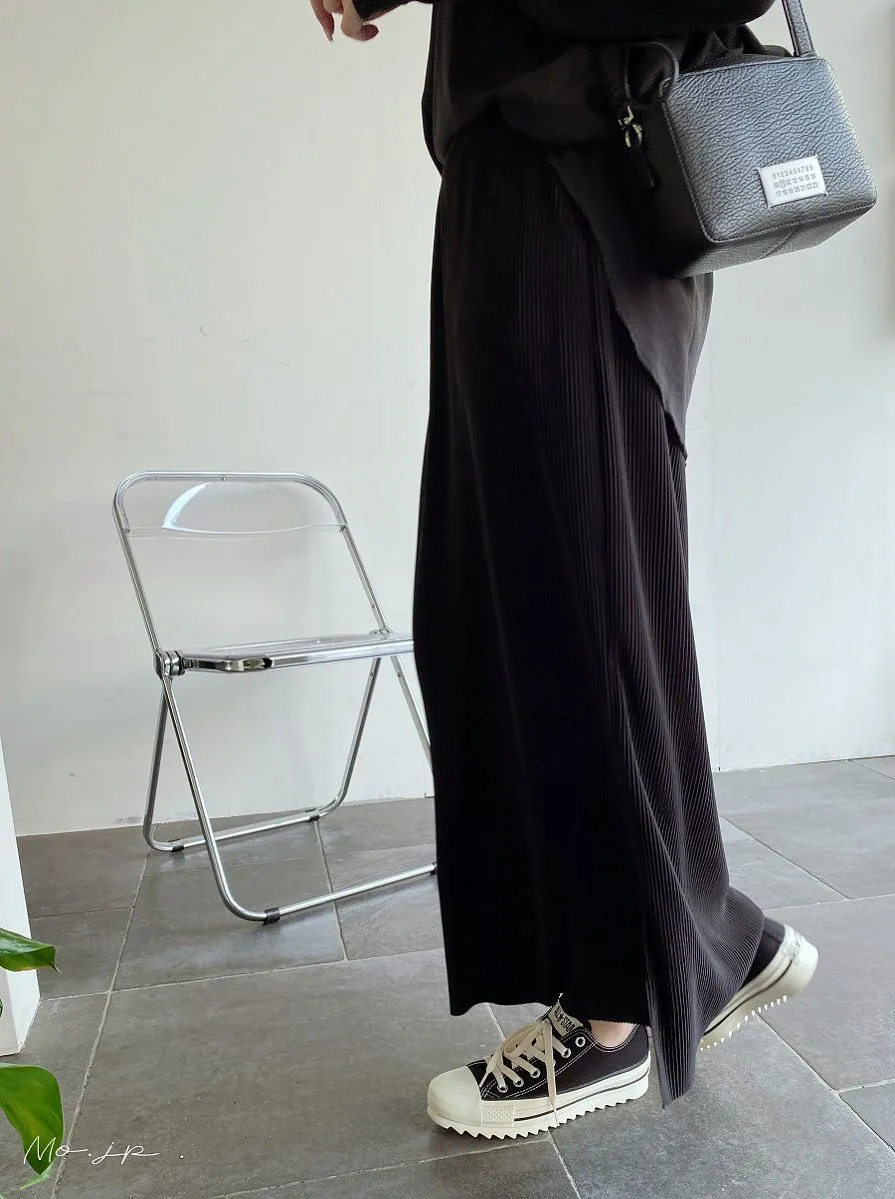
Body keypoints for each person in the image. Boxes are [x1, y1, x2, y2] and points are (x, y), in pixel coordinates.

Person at [310, 0, 818, 1139]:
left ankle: (615, 1008)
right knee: (507, 598)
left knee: (577, 593)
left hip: (584, 174)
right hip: (514, 176)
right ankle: (706, 937)